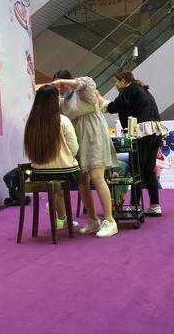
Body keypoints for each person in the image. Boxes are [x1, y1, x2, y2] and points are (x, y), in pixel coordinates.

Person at [51, 71, 118, 238]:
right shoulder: (62, 102)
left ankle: (110, 221)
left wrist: (63, 81)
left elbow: (85, 83)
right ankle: (93, 220)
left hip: (95, 136)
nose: (60, 88)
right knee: (82, 182)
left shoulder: (84, 91)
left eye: (62, 84)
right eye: (58, 85)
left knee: (97, 177)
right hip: (78, 140)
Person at [99, 70, 167, 217]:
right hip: (155, 132)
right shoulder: (141, 89)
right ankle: (155, 205)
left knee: (137, 170)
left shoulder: (130, 89)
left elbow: (116, 106)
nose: (116, 85)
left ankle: (134, 205)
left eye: (116, 82)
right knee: (148, 169)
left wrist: (100, 99)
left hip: (143, 132)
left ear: (123, 81)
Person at [24, 85, 81, 230]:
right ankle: (61, 218)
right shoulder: (63, 121)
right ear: (54, 101)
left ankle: (60, 216)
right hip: (64, 171)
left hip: (39, 173)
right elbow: (74, 147)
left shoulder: (31, 123)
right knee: (62, 189)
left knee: (57, 189)